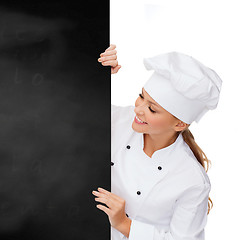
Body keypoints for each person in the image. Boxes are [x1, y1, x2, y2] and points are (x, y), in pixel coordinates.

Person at [92, 44, 222, 239]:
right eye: (141, 96)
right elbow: (71, 108)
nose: (138, 109)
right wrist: (97, 73)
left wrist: (125, 224)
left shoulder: (192, 180)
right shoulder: (119, 120)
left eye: (152, 109)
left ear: (179, 123)